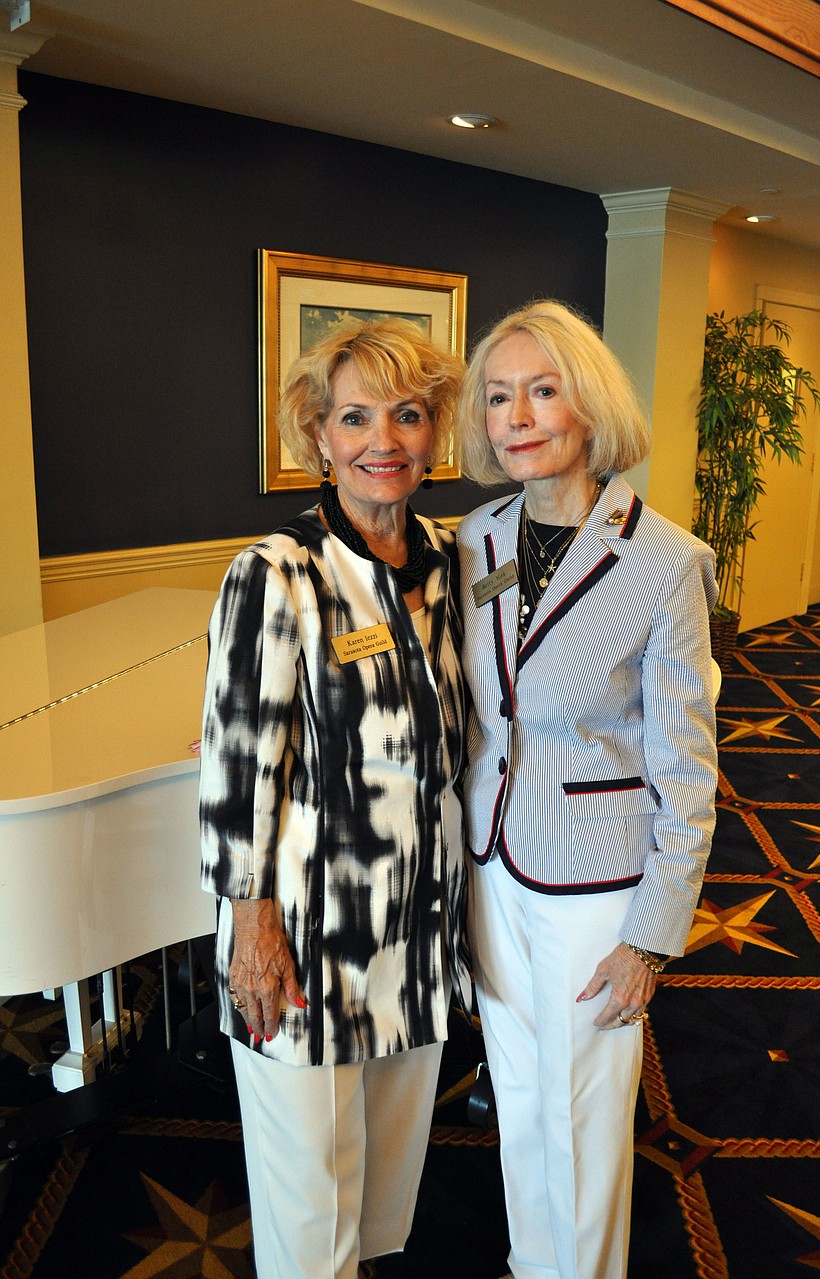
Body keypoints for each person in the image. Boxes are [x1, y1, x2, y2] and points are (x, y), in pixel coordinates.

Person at [198, 318, 470, 1279]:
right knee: (311, 1209)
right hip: (307, 943)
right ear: (318, 435)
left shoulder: (447, 559)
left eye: (407, 415)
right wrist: (252, 926)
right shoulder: (276, 574)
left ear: (436, 431)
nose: (383, 441)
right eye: (355, 417)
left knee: (382, 1194)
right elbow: (238, 769)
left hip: (417, 934)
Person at [456, 300, 718, 1279]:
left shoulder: (664, 562)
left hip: (595, 889)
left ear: (589, 404)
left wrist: (650, 935)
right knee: (519, 1092)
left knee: (583, 1111)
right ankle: (536, 1263)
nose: (517, 415)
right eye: (497, 395)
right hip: (491, 861)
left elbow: (688, 769)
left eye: (543, 389)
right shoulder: (473, 540)